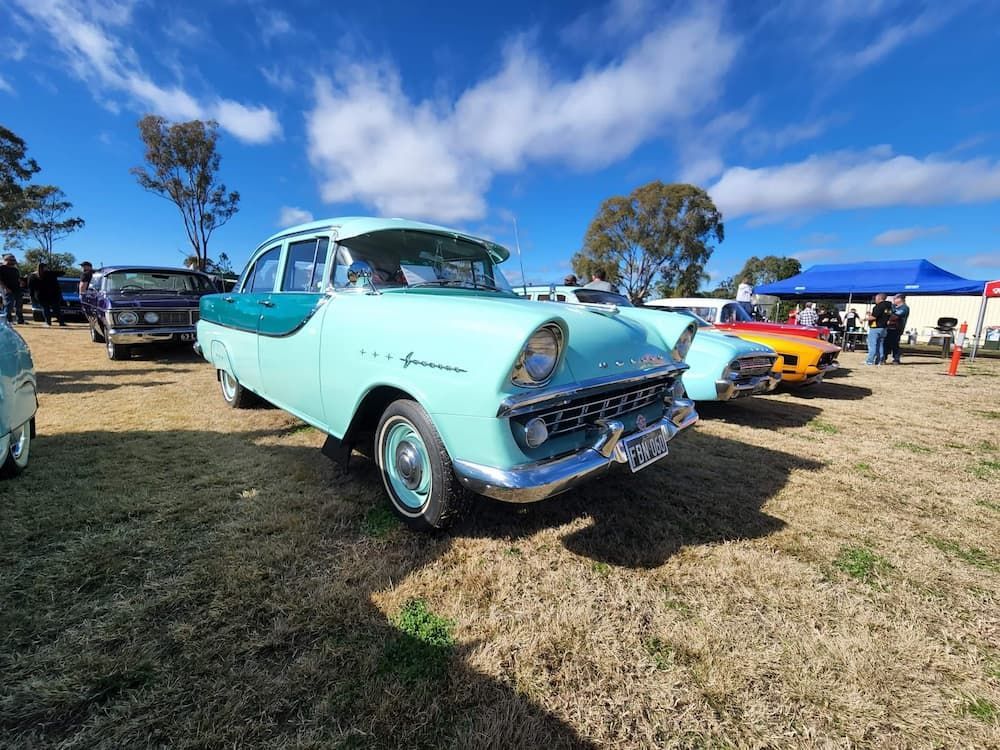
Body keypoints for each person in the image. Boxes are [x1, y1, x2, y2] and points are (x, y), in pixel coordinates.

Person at [27, 262, 67, 327]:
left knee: (45, 309)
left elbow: (30, 287)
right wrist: (51, 270)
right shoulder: (50, 274)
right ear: (45, 267)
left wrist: (31, 296)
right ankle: (61, 322)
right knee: (56, 309)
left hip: (41, 295)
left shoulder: (32, 275)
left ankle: (48, 322)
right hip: (53, 295)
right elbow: (62, 273)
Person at [865, 293, 893, 365]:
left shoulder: (878, 306)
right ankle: (880, 360)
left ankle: (870, 361)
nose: (875, 300)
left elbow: (874, 317)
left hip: (875, 328)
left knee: (872, 345)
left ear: (879, 298)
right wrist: (871, 314)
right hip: (883, 328)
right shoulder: (889, 306)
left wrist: (864, 319)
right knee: (880, 345)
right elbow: (883, 316)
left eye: (876, 298)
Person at [884, 294, 910, 364]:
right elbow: (886, 313)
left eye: (895, 299)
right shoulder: (893, 306)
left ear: (900, 299)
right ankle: (883, 357)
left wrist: (889, 316)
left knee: (894, 344)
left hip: (897, 328)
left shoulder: (904, 308)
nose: (893, 300)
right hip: (889, 328)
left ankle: (896, 359)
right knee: (886, 343)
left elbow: (896, 316)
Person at [1, 253, 25, 324]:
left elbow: (17, 278)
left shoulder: (15, 269)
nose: (13, 261)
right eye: (11, 260)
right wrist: (5, 288)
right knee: (9, 305)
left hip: (17, 289)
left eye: (14, 260)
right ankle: (8, 320)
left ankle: (20, 320)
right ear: (6, 260)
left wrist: (21, 282)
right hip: (7, 289)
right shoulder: (2, 268)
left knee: (19, 305)